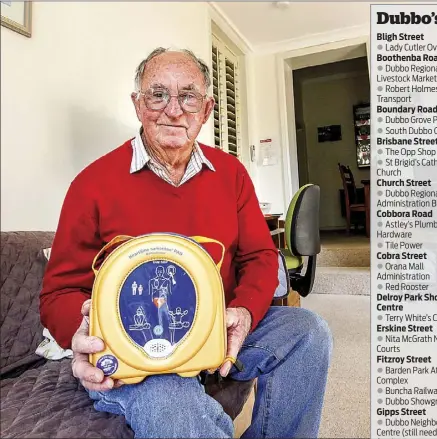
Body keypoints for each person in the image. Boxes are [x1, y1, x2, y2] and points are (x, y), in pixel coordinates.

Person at [39, 47, 333, 439]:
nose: (173, 110)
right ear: (137, 104)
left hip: (215, 331)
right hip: (136, 351)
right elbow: (58, 291)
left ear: (207, 108)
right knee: (169, 403)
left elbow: (262, 256)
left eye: (188, 96)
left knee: (309, 331)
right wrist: (80, 334)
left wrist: (243, 311)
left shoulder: (231, 174)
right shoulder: (91, 184)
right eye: (157, 94)